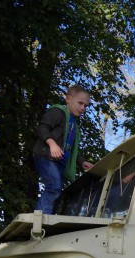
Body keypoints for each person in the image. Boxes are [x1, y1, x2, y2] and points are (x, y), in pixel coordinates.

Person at [33, 84, 94, 214]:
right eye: (80, 103)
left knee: (58, 191)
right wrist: (52, 144)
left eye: (86, 106)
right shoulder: (57, 112)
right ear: (68, 99)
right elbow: (42, 128)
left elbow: (71, 149)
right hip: (46, 156)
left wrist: (82, 162)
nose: (83, 108)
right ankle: (40, 219)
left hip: (59, 161)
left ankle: (48, 217)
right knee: (54, 187)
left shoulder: (74, 125)